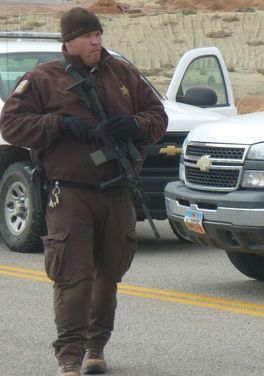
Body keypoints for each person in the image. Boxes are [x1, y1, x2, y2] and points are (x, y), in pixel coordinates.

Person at [0, 7, 168, 376]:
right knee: (73, 279)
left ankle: (96, 348)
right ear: (69, 42)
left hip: (117, 190)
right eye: (87, 36)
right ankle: (70, 357)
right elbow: (11, 124)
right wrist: (57, 124)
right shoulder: (43, 79)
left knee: (108, 275)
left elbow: (158, 117)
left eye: (98, 34)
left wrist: (134, 125)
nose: (95, 41)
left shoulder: (123, 74)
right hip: (70, 193)